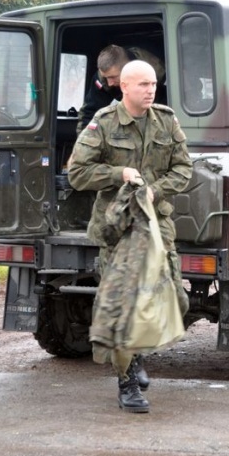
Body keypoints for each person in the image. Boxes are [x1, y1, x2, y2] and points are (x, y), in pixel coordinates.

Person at [67, 59, 192, 413]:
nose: (150, 90)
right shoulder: (104, 124)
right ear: (124, 87)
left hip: (156, 225)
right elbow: (77, 173)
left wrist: (155, 190)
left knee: (175, 301)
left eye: (153, 84)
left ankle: (137, 355)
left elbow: (184, 168)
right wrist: (117, 173)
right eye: (143, 85)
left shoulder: (166, 120)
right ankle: (127, 383)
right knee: (124, 307)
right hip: (118, 227)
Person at [76, 44, 165, 133]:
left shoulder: (155, 71)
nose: (110, 83)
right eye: (106, 77)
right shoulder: (102, 78)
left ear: (127, 70)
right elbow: (89, 113)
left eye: (113, 77)